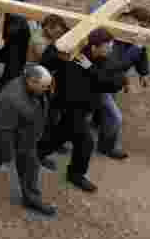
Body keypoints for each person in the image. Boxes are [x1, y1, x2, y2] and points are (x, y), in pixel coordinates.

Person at [36, 28, 130, 192]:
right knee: (85, 142)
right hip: (71, 107)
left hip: (85, 107)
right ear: (94, 47)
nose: (111, 49)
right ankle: (75, 175)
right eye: (107, 46)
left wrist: (90, 69)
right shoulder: (74, 55)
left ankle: (37, 154)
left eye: (111, 45)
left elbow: (115, 82)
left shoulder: (105, 59)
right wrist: (58, 46)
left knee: (60, 134)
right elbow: (46, 62)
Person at [0, 64, 58, 217]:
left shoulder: (33, 87)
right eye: (44, 87)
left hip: (25, 140)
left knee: (30, 167)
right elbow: (2, 130)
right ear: (31, 81)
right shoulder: (11, 99)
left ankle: (31, 199)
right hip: (6, 140)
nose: (47, 90)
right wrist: (8, 155)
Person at [90, 0, 150, 160]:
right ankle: (107, 147)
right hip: (101, 83)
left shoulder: (134, 36)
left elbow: (141, 54)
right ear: (133, 21)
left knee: (103, 112)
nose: (144, 31)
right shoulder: (114, 34)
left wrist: (143, 74)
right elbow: (116, 65)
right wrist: (137, 47)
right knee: (115, 117)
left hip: (112, 83)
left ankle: (97, 123)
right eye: (143, 26)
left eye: (147, 28)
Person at [0, 0, 40, 101]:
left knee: (9, 68)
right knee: (10, 73)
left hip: (17, 42)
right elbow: (14, 25)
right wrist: (28, 21)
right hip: (15, 43)